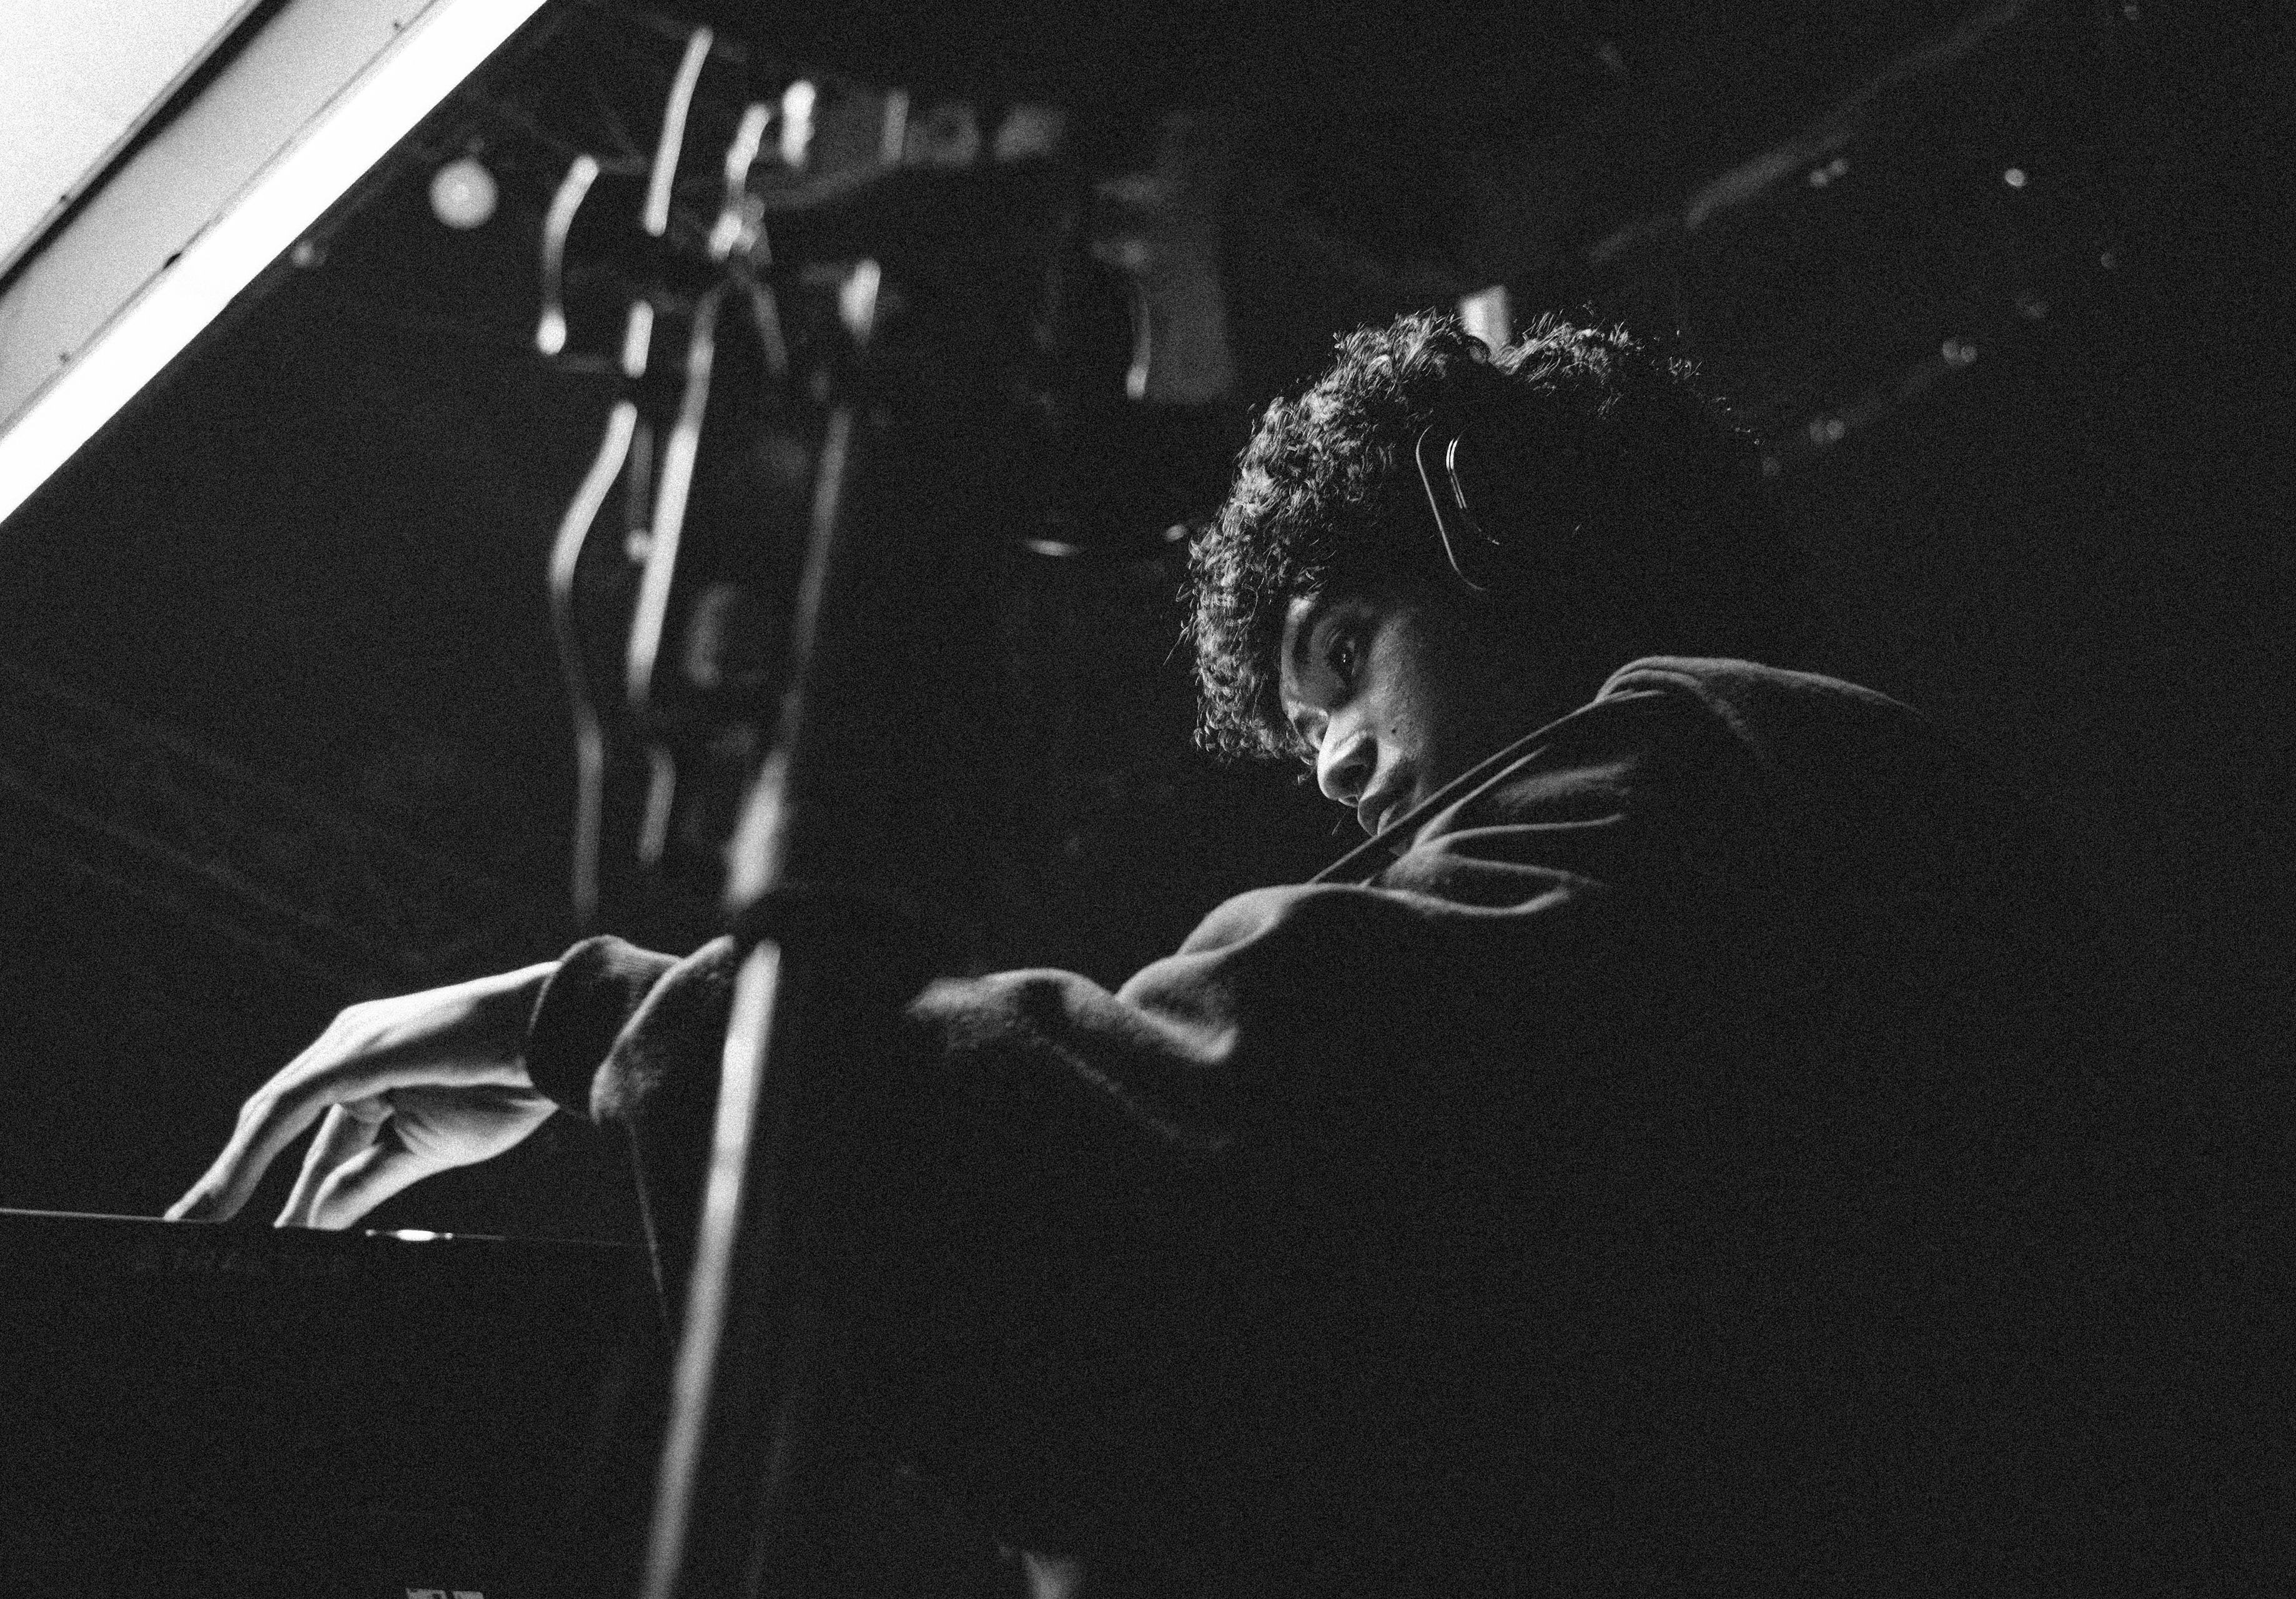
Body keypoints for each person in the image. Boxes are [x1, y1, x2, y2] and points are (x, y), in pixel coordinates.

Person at [171, 312, 2107, 1593]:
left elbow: (1123, 1195)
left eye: (1340, 653)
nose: (1334, 765)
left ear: (1502, 531)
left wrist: (582, 1016)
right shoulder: (1823, 858)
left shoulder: (1715, 774)